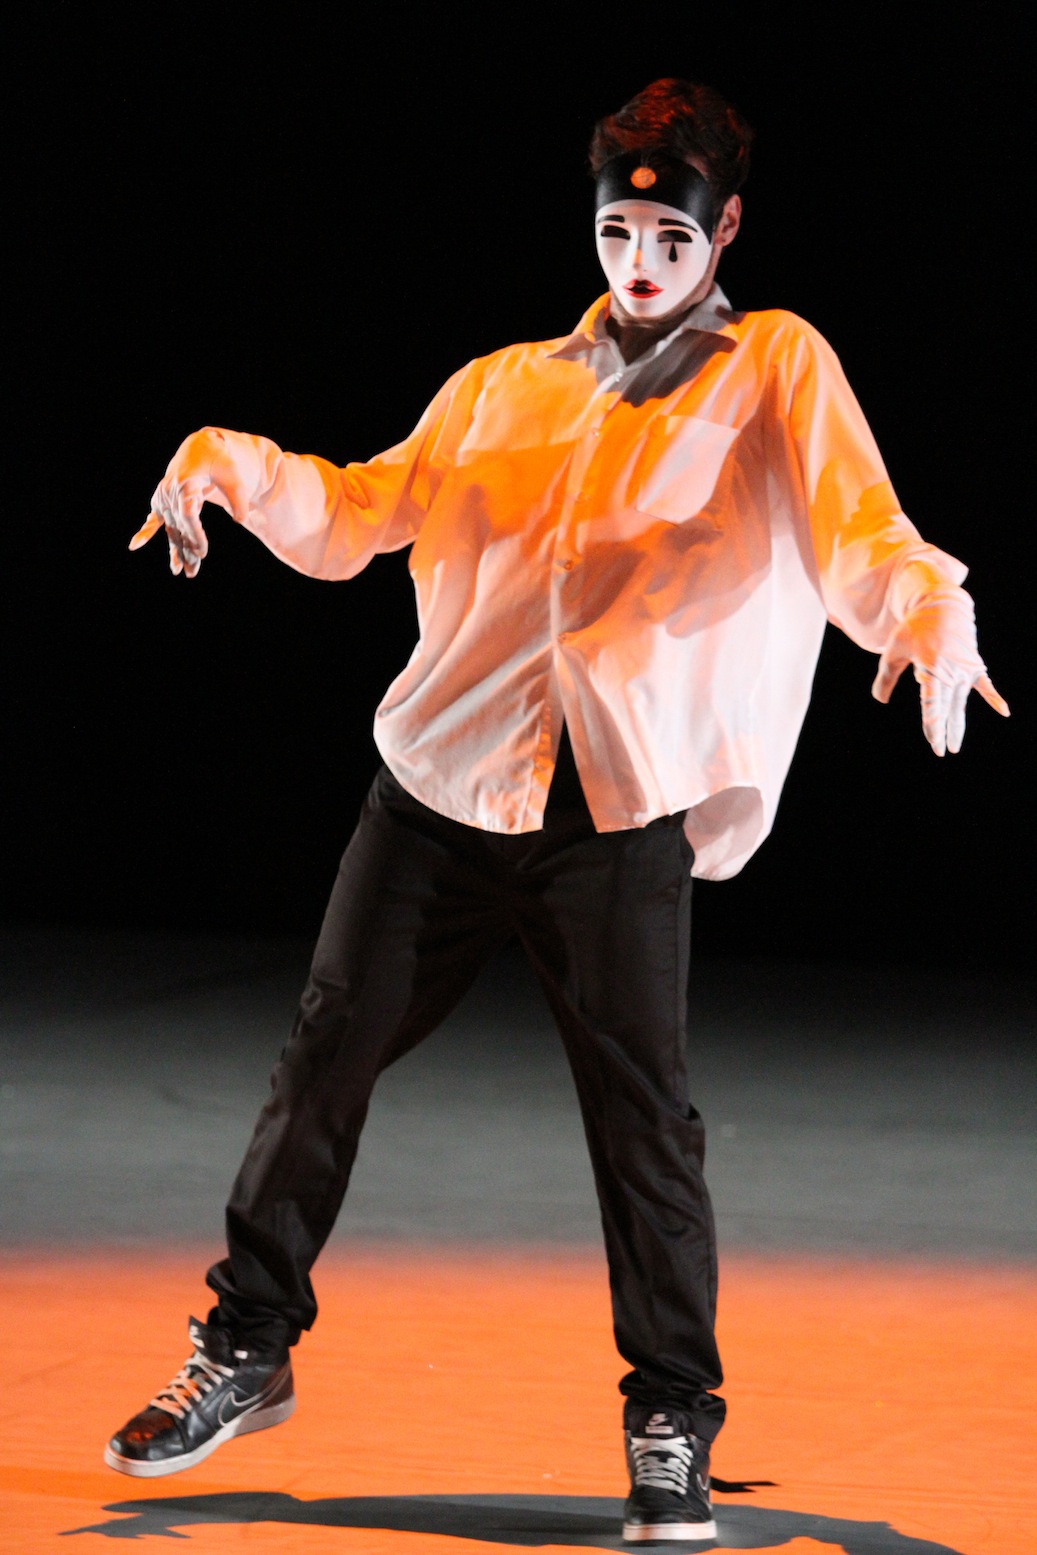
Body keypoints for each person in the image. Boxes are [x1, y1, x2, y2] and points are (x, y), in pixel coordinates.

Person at [103, 78, 1007, 1544]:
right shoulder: (501, 383)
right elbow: (361, 512)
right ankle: (245, 1350)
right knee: (324, 1056)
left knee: (643, 1119)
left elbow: (860, 530)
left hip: (615, 806)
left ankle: (672, 1419)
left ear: (724, 228)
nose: (639, 261)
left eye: (670, 235)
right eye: (616, 232)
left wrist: (927, 609)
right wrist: (234, 465)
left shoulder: (774, 366)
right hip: (440, 787)